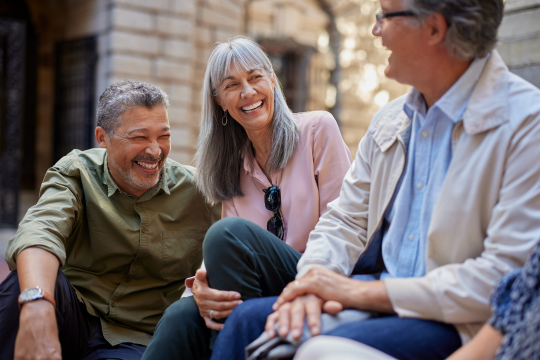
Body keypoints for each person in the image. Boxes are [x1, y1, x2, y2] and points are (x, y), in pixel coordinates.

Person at [209, 0, 540, 359]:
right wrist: (311, 285)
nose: (376, 29)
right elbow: (344, 221)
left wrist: (354, 293)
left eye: (386, 15)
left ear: (434, 29)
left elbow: (505, 279)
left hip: (458, 322)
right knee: (245, 321)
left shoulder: (526, 123)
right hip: (375, 298)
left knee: (311, 349)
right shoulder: (390, 121)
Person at [141, 36, 352, 360]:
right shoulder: (232, 165)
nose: (248, 92)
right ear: (219, 100)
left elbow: (346, 230)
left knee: (228, 234)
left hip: (318, 273)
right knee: (179, 317)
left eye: (255, 78)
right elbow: (225, 258)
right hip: (258, 286)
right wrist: (200, 290)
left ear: (271, 78)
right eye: (232, 85)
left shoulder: (317, 130)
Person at [0, 80, 220, 360]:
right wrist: (37, 304)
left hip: (135, 339)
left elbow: (245, 234)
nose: (154, 150)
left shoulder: (198, 191)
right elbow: (41, 229)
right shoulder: (77, 172)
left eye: (163, 136)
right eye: (140, 137)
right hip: (72, 313)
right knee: (25, 286)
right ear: (102, 138)